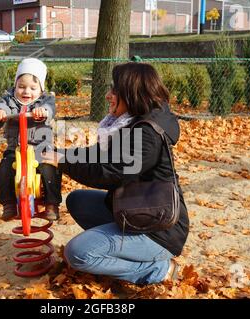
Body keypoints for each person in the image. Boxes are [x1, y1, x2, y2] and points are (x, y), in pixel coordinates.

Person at [42, 62, 189, 285]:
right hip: (137, 209)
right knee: (78, 201)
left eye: (114, 91)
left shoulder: (146, 133)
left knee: (78, 253)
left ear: (131, 94)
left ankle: (157, 269)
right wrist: (60, 154)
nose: (108, 95)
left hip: (159, 230)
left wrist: (63, 161)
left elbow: (110, 172)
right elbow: (99, 154)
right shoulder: (132, 123)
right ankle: (118, 250)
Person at [0, 58, 62, 221]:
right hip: (16, 149)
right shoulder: (8, 99)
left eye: (33, 88)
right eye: (21, 87)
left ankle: (51, 204)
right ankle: (8, 204)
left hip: (41, 148)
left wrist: (44, 111)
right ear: (15, 86)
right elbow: (1, 106)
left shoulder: (46, 100)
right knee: (4, 169)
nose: (26, 92)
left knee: (51, 168)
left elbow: (50, 109)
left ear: (41, 89)